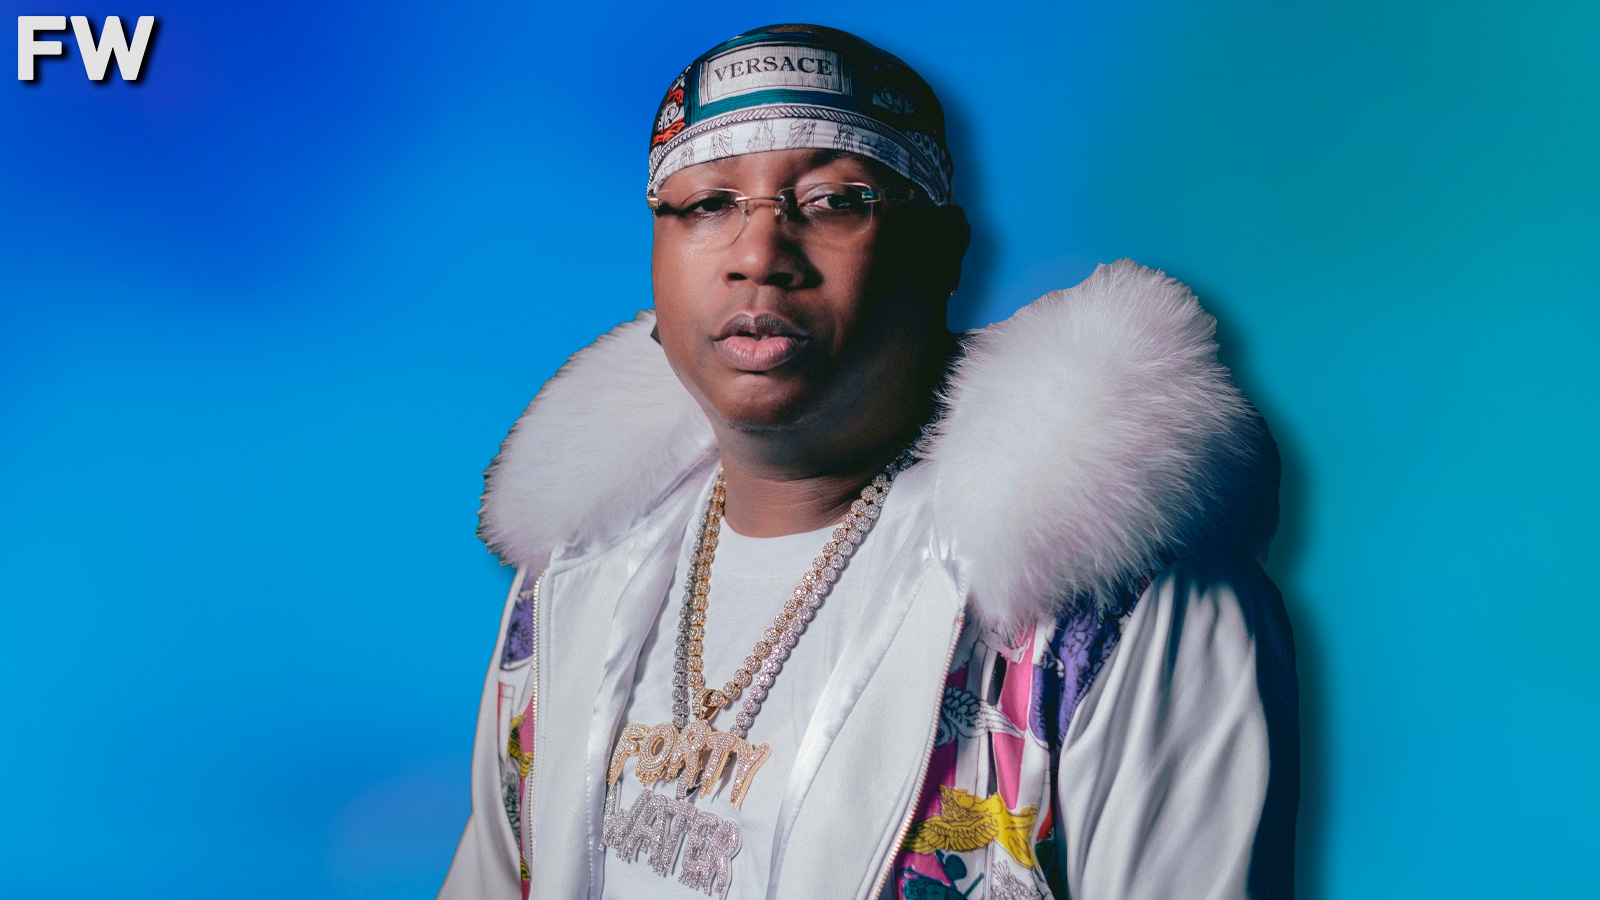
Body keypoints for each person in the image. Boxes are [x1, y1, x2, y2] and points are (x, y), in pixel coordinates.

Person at [440, 23, 1297, 900]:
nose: (758, 256)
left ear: (943, 250)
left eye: (834, 200)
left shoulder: (1121, 608)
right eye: (706, 205)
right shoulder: (574, 576)